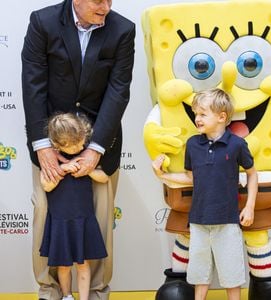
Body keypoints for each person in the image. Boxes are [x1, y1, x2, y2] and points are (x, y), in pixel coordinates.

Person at [21, 0, 135, 299]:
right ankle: (50, 291)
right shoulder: (42, 22)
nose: (106, 7)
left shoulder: (123, 29)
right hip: (51, 141)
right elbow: (33, 85)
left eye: (111, 0)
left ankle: (96, 293)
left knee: (99, 219)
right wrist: (43, 145)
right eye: (99, 1)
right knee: (46, 215)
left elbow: (118, 90)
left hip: (100, 144)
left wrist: (95, 149)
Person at [152, 88, 258, 300]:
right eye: (195, 114)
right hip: (199, 221)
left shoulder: (237, 144)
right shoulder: (193, 144)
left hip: (228, 221)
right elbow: (192, 178)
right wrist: (160, 174)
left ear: (221, 117)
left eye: (202, 114)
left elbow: (252, 174)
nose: (197, 118)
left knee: (232, 275)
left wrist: (249, 207)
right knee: (199, 274)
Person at [40, 113, 108, 300]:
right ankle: (67, 295)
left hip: (83, 219)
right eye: (75, 145)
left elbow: (104, 178)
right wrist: (63, 169)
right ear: (58, 145)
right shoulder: (51, 162)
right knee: (63, 265)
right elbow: (46, 185)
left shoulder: (86, 157)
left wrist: (88, 169)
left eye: (82, 142)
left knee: (83, 263)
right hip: (61, 221)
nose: (81, 147)